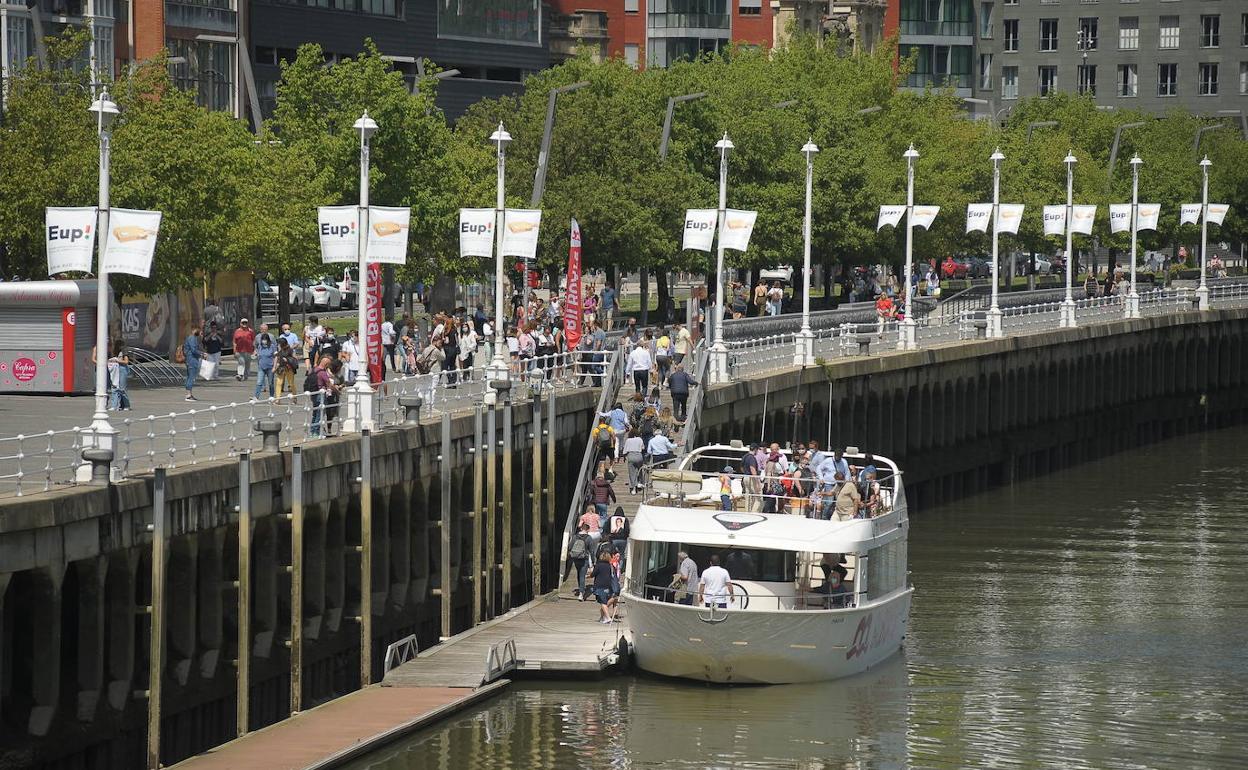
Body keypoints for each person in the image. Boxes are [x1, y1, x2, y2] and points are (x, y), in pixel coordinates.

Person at [569, 523, 594, 600]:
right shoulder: (589, 538)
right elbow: (591, 551)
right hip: (584, 558)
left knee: (578, 573)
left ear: (581, 528)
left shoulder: (575, 536)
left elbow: (570, 546)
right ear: (587, 529)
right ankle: (581, 593)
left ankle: (580, 588)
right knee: (582, 575)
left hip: (575, 558)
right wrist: (593, 561)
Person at [591, 551, 617, 624]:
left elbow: (593, 574)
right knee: (605, 601)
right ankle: (602, 617)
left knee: (603, 602)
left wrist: (588, 575)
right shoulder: (610, 566)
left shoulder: (598, 565)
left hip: (599, 586)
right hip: (608, 586)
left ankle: (608, 618)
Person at [107, 343, 131, 411]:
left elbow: (126, 361)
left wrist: (118, 360)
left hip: (122, 369)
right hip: (114, 369)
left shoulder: (123, 352)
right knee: (114, 387)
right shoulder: (112, 352)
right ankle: (114, 405)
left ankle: (126, 405)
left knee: (122, 388)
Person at [254, 333, 276, 399]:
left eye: (265, 339)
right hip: (261, 367)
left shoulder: (272, 346)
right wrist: (255, 355)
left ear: (268, 340)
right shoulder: (260, 346)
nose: (264, 341)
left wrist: (274, 367)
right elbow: (258, 354)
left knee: (270, 383)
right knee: (259, 382)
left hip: (270, 367)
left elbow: (276, 357)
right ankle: (256, 397)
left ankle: (271, 396)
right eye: (262, 339)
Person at [182, 328, 202, 401]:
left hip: (189, 359)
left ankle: (189, 393)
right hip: (192, 360)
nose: (201, 334)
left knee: (190, 376)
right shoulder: (192, 338)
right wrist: (202, 354)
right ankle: (188, 395)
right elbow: (194, 350)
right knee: (191, 377)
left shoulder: (191, 338)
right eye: (200, 332)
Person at [741, 443, 761, 512]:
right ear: (755, 450)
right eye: (757, 450)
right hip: (751, 478)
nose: (758, 452)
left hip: (745, 477)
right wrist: (757, 482)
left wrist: (745, 473)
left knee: (748, 496)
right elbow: (752, 469)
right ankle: (754, 512)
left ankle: (747, 511)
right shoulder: (752, 458)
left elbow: (741, 468)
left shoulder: (745, 456)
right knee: (759, 498)